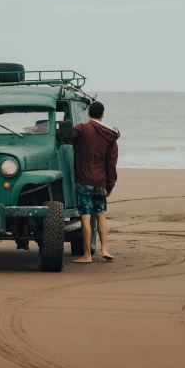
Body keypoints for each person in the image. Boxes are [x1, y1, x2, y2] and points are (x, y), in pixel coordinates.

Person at [70, 100, 120, 263]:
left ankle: (87, 255)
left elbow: (64, 135)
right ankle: (105, 249)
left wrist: (40, 130)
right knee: (100, 215)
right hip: (100, 182)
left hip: (84, 181)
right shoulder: (110, 134)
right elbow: (111, 162)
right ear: (103, 115)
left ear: (88, 113)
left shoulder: (82, 128)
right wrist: (110, 184)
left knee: (85, 217)